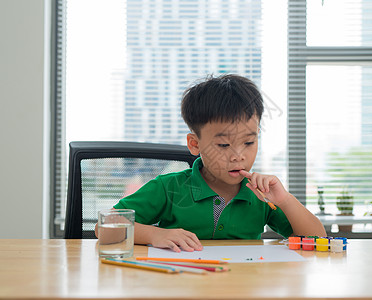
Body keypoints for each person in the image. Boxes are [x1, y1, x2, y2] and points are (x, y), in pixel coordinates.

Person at [95, 74, 326, 252]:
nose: (238, 156)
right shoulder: (169, 187)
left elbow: (318, 240)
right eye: (224, 146)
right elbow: (104, 229)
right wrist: (155, 235)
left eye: (248, 142)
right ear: (195, 145)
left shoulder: (261, 195)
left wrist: (284, 200)